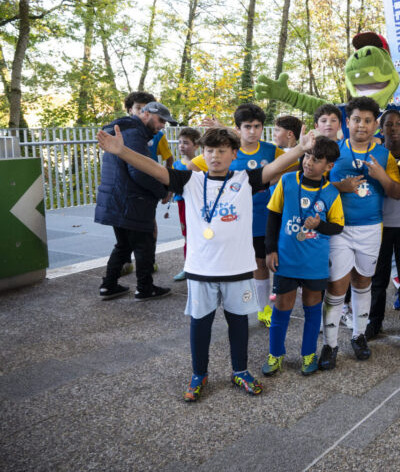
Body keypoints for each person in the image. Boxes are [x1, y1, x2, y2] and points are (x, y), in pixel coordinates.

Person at [95, 125, 311, 401]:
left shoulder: (246, 179)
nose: (215, 156)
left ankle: (240, 371)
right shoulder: (190, 181)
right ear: (203, 153)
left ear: (234, 153)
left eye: (222, 151)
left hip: (237, 270)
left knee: (238, 323)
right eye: (210, 151)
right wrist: (121, 151)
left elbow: (276, 166)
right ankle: (199, 375)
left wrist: (301, 149)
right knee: (200, 324)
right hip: (201, 270)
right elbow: (153, 168)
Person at [320, 97, 400, 368]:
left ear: (375, 124)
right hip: (339, 228)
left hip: (370, 227)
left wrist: (380, 175)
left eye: (368, 120)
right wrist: (338, 187)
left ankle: (358, 336)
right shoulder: (334, 150)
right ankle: (330, 344)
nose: (362, 125)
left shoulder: (384, 155)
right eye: (356, 119)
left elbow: (396, 192)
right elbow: (315, 185)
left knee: (363, 282)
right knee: (336, 285)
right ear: (348, 121)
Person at [189, 103, 287, 328]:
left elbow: (292, 165)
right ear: (237, 129)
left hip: (261, 218)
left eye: (257, 126)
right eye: (247, 127)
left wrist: (273, 179)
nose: (252, 131)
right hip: (229, 222)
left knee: (261, 264)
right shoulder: (225, 151)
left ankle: (263, 310)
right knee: (235, 267)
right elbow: (191, 169)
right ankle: (226, 308)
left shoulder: (272, 151)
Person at [263, 136, 343, 377]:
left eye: (316, 160)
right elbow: (273, 217)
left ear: (329, 166)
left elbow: (338, 227)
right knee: (282, 306)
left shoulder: (331, 192)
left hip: (314, 263)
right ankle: (275, 354)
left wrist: (320, 225)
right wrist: (270, 250)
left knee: (311, 307)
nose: (309, 162)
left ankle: (308, 354)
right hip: (287, 259)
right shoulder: (287, 180)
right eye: (307, 156)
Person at [95, 102, 176, 300]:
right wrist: (161, 191)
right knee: (144, 244)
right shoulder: (134, 134)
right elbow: (140, 171)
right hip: (132, 199)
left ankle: (108, 286)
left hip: (118, 197)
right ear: (146, 114)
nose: (162, 126)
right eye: (160, 120)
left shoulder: (126, 130)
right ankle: (145, 288)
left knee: (123, 244)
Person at [367, 110, 400, 345]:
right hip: (379, 224)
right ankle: (374, 322)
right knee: (378, 277)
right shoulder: (375, 154)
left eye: (399, 124)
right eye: (389, 124)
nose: (394, 129)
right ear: (381, 127)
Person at [172, 127, 201, 282]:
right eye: (180, 142)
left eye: (186, 143)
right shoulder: (177, 164)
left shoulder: (202, 163)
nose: (182, 146)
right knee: (187, 235)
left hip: (197, 203)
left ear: (196, 146)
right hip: (183, 203)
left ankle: (201, 265)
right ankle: (188, 266)